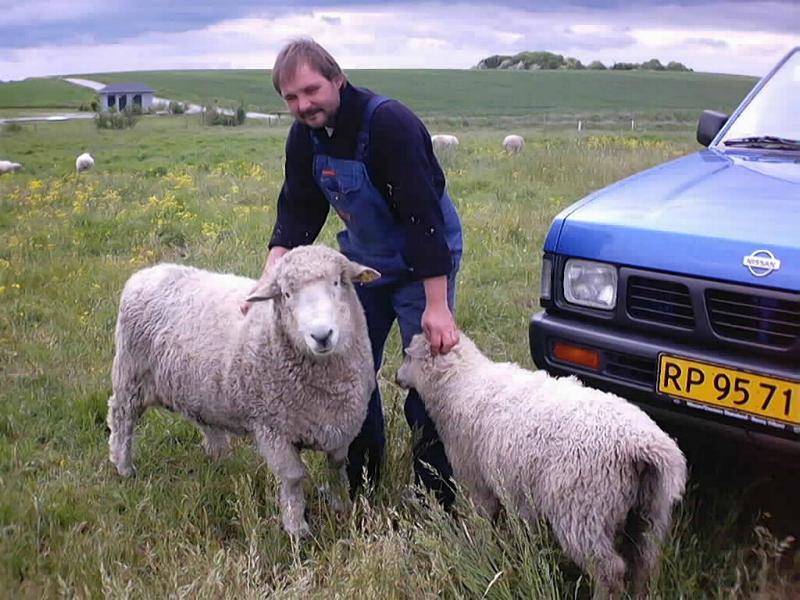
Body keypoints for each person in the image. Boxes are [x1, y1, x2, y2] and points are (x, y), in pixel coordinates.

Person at [242, 39, 463, 506]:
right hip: (361, 265)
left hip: (422, 260)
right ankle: (364, 478)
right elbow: (297, 211)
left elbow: (424, 219)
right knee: (352, 370)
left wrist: (438, 308)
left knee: (428, 374)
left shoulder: (388, 125)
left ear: (337, 79)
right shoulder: (304, 136)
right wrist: (267, 279)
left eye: (311, 90)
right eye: (291, 98)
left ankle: (434, 494)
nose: (303, 105)